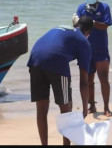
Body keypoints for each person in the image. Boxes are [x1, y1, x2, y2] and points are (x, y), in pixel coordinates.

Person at [27, 16, 93, 145]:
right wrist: (85, 109)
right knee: (66, 110)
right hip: (56, 61)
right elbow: (84, 83)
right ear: (88, 32)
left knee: (41, 109)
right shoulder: (85, 43)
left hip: (34, 59)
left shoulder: (62, 27)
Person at [73, 0, 112, 117]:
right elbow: (78, 26)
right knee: (88, 80)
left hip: (101, 49)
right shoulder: (81, 8)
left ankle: (106, 107)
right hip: (85, 49)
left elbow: (105, 26)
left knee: (103, 79)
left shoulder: (104, 7)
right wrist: (76, 22)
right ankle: (91, 105)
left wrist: (91, 22)